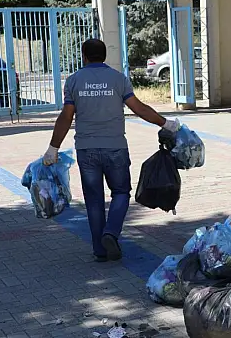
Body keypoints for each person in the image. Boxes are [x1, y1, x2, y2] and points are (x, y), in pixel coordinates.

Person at [43, 38, 180, 262]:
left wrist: (53, 148)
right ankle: (111, 233)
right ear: (104, 56)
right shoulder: (118, 79)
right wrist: (165, 123)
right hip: (115, 147)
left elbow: (66, 116)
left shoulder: (74, 81)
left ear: (84, 56)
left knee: (94, 199)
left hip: (86, 150)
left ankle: (100, 249)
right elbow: (139, 108)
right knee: (120, 193)